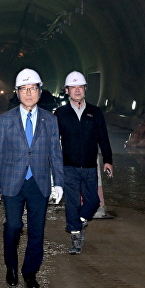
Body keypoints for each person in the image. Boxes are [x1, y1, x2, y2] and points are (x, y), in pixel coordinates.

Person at [0, 68, 64, 288]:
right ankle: (11, 267)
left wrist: (58, 182)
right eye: (24, 89)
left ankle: (30, 272)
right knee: (13, 226)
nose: (29, 93)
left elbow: (55, 152)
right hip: (12, 180)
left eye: (33, 88)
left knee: (36, 230)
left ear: (40, 92)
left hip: (39, 182)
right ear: (17, 92)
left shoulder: (50, 120)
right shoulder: (6, 119)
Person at [54, 71, 114, 255]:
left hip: (89, 166)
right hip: (69, 166)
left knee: (93, 201)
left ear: (85, 89)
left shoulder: (95, 113)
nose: (77, 90)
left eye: (80, 87)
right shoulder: (61, 114)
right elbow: (54, 140)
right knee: (72, 203)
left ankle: (80, 220)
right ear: (67, 90)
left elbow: (103, 137)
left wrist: (108, 160)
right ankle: (76, 238)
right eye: (73, 87)